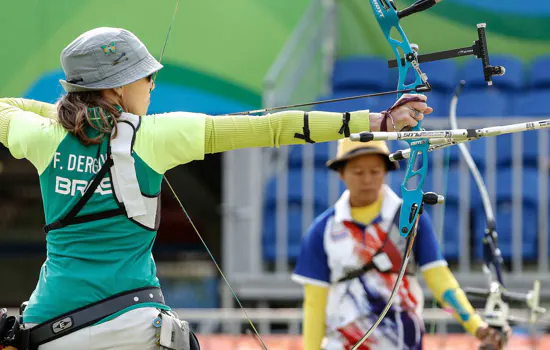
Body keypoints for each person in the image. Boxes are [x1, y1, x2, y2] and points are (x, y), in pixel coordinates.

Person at [0, 27, 431, 350]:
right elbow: (272, 127)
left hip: (50, 329)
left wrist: (69, 118)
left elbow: (6, 107)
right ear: (115, 88)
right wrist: (379, 123)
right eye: (144, 76)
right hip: (132, 327)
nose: (152, 84)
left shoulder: (42, 137)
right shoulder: (155, 136)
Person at [292, 138, 508, 350]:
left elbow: (440, 280)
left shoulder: (411, 217)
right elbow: (314, 304)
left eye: (375, 171)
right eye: (357, 172)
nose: (367, 179)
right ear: (341, 173)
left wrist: (476, 327)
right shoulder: (324, 229)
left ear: (386, 171)